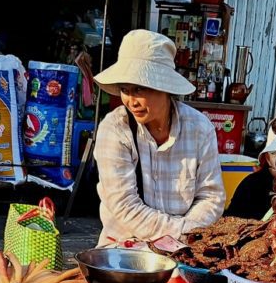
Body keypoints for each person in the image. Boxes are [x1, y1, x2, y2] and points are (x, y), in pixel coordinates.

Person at [92, 29, 225, 246]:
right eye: (125, 89)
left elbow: (211, 198)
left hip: (184, 250)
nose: (131, 100)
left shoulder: (200, 129)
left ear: (165, 88)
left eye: (140, 89)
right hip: (124, 250)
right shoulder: (115, 129)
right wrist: (181, 233)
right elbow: (125, 206)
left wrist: (183, 239)